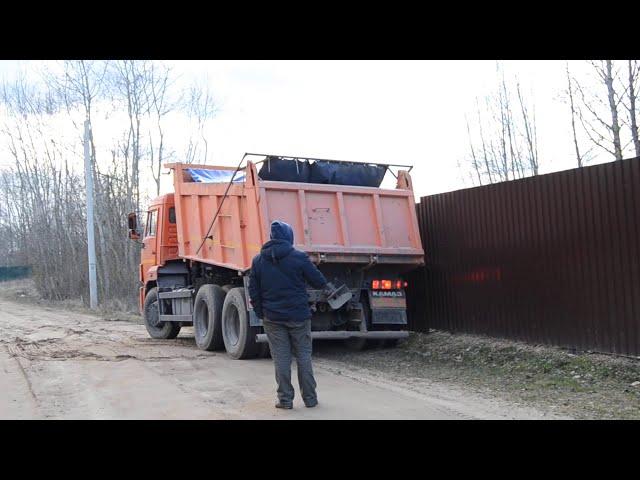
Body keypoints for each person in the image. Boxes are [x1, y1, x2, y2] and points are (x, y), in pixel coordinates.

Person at [248, 220, 329, 409]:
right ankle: (310, 399)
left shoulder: (258, 261)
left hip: (273, 318)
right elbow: (319, 282)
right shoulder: (298, 257)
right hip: (299, 317)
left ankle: (285, 400)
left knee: (281, 359)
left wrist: (262, 313)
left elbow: (254, 292)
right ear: (288, 237)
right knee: (303, 356)